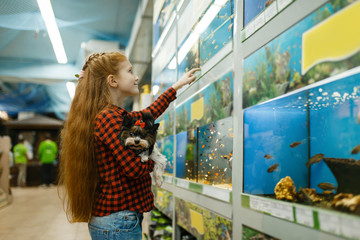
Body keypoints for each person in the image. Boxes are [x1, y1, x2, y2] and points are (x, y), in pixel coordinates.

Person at [59, 51, 199, 240]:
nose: (136, 77)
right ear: (113, 81)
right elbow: (133, 168)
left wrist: (176, 87)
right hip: (118, 222)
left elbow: (148, 113)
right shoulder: (109, 117)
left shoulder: (114, 115)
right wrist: (156, 161)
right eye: (130, 71)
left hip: (117, 221)